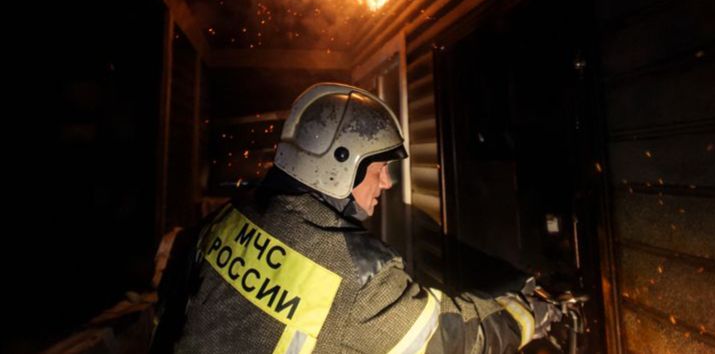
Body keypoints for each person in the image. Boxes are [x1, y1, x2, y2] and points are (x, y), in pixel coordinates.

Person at [151, 82, 561, 353]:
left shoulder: (233, 216)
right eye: (380, 167)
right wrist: (532, 313)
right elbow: (452, 339)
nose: (387, 182)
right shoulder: (355, 272)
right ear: (337, 164)